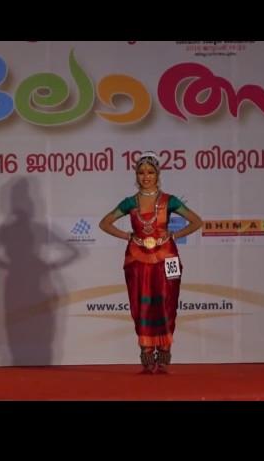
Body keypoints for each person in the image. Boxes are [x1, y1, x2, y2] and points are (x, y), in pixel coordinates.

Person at [99, 151, 202, 373]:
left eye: (150, 172)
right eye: (141, 172)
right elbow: (105, 223)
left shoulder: (169, 201)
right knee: (142, 304)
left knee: (167, 302)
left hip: (167, 258)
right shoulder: (130, 202)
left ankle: (164, 352)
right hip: (138, 260)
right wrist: (127, 236)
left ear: (158, 174)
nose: (146, 176)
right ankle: (146, 353)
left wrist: (173, 235)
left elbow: (196, 221)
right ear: (136, 175)